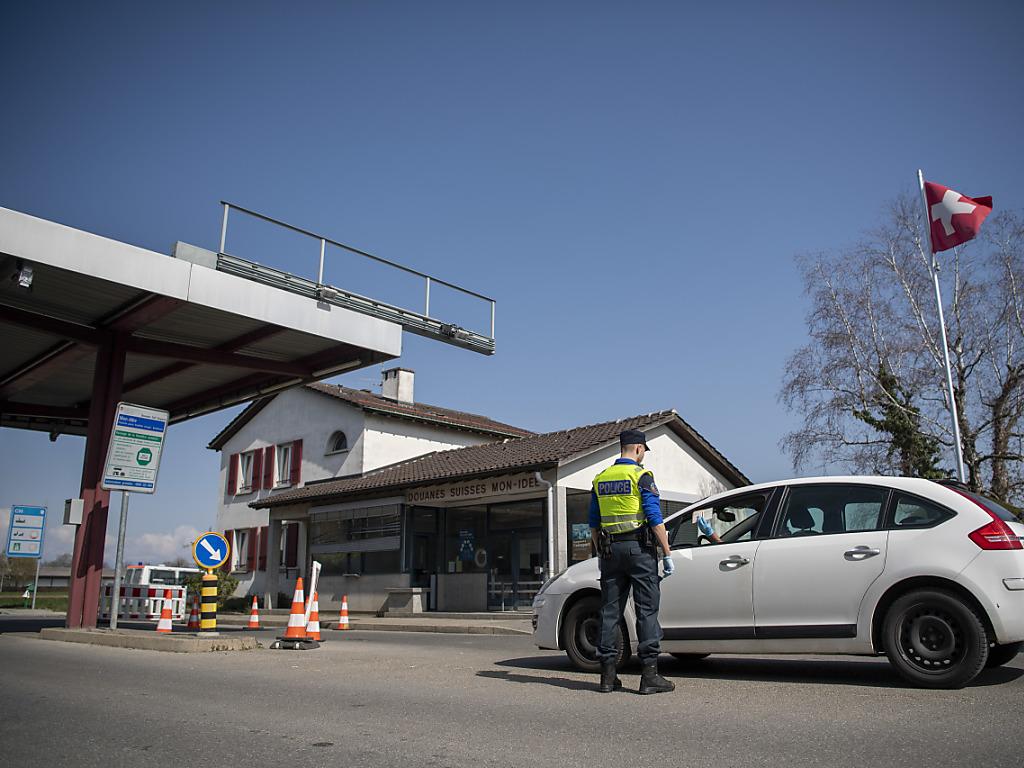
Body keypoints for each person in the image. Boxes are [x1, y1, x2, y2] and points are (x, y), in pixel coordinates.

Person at [589, 429, 675, 694]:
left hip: (610, 552)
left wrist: (600, 551)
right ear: (638, 449)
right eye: (643, 452)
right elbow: (654, 518)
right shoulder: (641, 476)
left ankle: (607, 676)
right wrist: (667, 553)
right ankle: (649, 676)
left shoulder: (600, 479)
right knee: (646, 610)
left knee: (609, 611)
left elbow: (593, 523)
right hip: (639, 550)